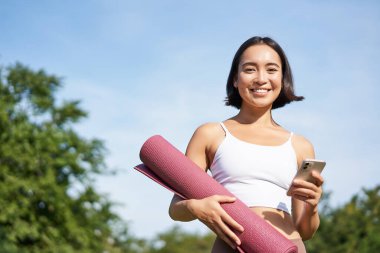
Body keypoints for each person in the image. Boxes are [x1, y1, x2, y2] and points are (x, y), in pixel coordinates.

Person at [168, 36, 324, 253]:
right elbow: (176, 209)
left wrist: (313, 206)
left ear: (282, 78)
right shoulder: (210, 134)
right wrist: (196, 207)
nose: (261, 78)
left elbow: (305, 230)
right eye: (250, 69)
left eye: (271, 70)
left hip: (288, 246)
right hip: (231, 247)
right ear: (235, 78)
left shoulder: (301, 146)